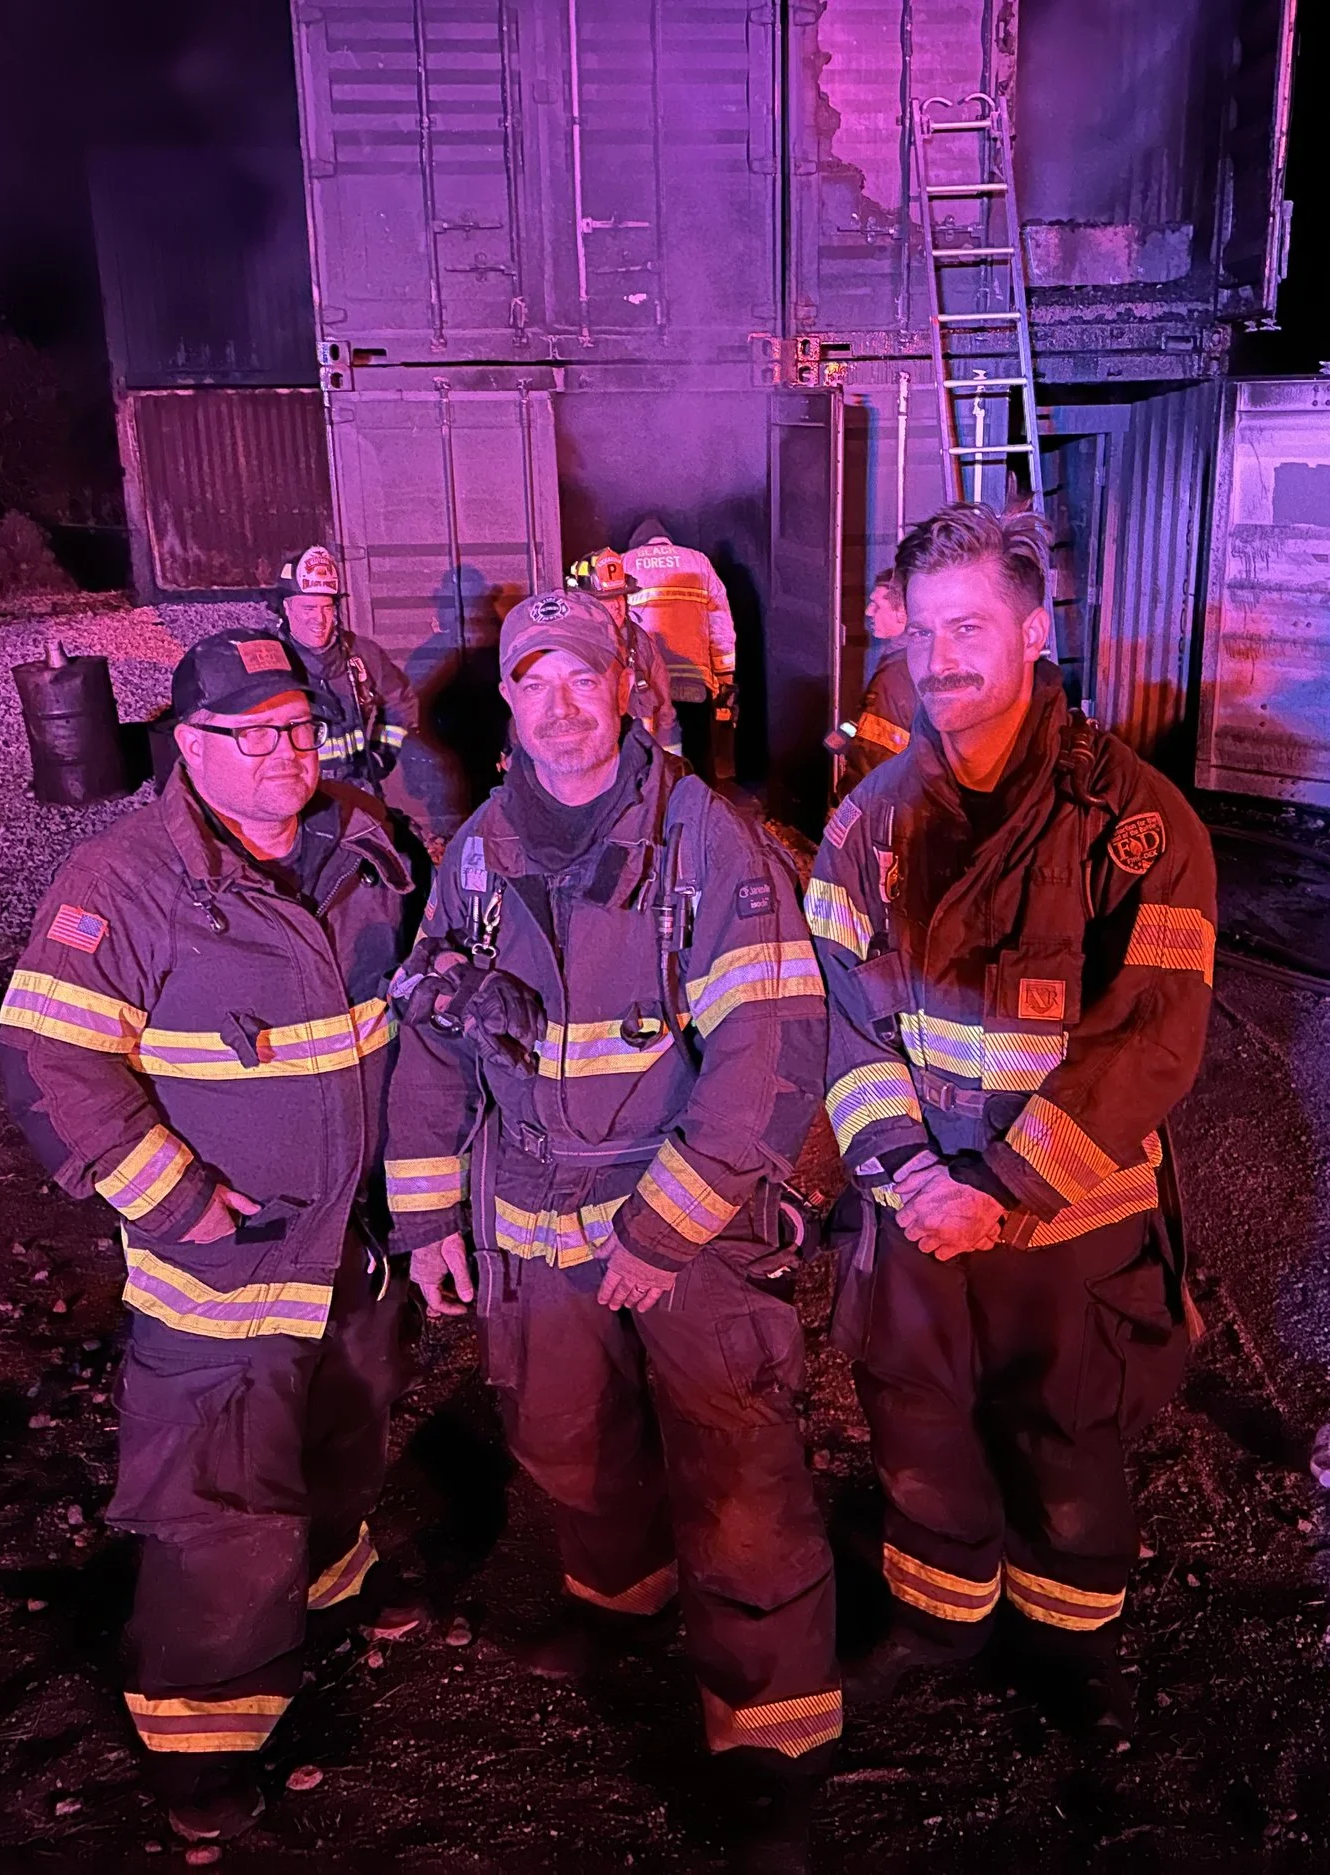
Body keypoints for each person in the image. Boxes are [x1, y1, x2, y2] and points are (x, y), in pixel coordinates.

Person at [382, 588, 837, 1867]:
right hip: (531, 1214)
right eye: (535, 683)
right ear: (508, 705)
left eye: (583, 677)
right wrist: (426, 1216)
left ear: (627, 687)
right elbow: (435, 1041)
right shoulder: (478, 854)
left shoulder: (707, 842)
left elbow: (767, 1050)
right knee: (563, 1437)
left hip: (685, 1215)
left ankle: (772, 1747)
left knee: (736, 1472)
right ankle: (622, 1602)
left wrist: (665, 1229)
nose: (561, 706)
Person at [0, 627, 421, 1847]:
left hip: (352, 1244)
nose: (288, 751)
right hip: (225, 1266)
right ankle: (200, 1747)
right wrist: (175, 1202)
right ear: (190, 744)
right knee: (217, 1502)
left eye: (299, 726)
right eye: (254, 733)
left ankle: (330, 1582)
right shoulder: (124, 882)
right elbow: (46, 1055)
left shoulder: (362, 840)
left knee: (344, 1430)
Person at [803, 503, 1216, 1752]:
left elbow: (1151, 1039)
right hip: (918, 1210)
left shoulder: (1135, 823)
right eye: (924, 632)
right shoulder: (868, 824)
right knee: (917, 1421)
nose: (941, 659)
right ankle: (939, 1623)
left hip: (1063, 1217)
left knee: (1066, 1436)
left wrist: (998, 1187)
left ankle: (1071, 1645)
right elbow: (844, 1024)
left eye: (971, 628)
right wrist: (905, 1172)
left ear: (1035, 633)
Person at [274, 542, 418, 792]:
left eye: (327, 608)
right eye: (308, 608)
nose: (319, 619)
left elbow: (401, 701)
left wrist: (381, 755)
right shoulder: (270, 659)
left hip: (356, 790)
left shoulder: (362, 654)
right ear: (287, 607)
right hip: (296, 794)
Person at [620, 517, 739, 783]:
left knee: (647, 750)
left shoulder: (624, 562)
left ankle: (655, 800)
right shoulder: (698, 562)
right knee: (699, 748)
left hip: (645, 680)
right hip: (694, 676)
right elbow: (721, 625)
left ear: (638, 544)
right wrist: (725, 677)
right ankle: (701, 801)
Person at [570, 546, 682, 756]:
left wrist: (665, 754)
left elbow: (662, 696)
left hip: (638, 751)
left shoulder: (638, 640)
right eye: (605, 599)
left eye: (620, 597)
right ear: (585, 603)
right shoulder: (570, 645)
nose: (616, 605)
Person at [827, 570, 915, 797]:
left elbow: (875, 757)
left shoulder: (896, 677)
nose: (868, 612)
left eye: (877, 605)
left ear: (902, 612)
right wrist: (847, 732)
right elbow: (874, 722)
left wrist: (845, 801)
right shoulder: (908, 659)